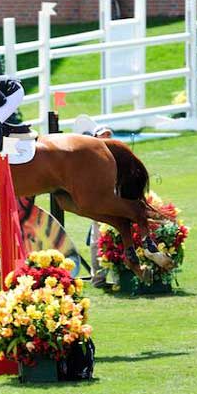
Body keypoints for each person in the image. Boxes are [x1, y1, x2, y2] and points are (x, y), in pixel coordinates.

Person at [85, 123, 114, 288]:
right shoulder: (90, 158)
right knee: (97, 242)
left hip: (115, 203)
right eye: (103, 136)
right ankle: (98, 279)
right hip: (98, 205)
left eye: (108, 136)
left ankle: (118, 278)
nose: (106, 139)